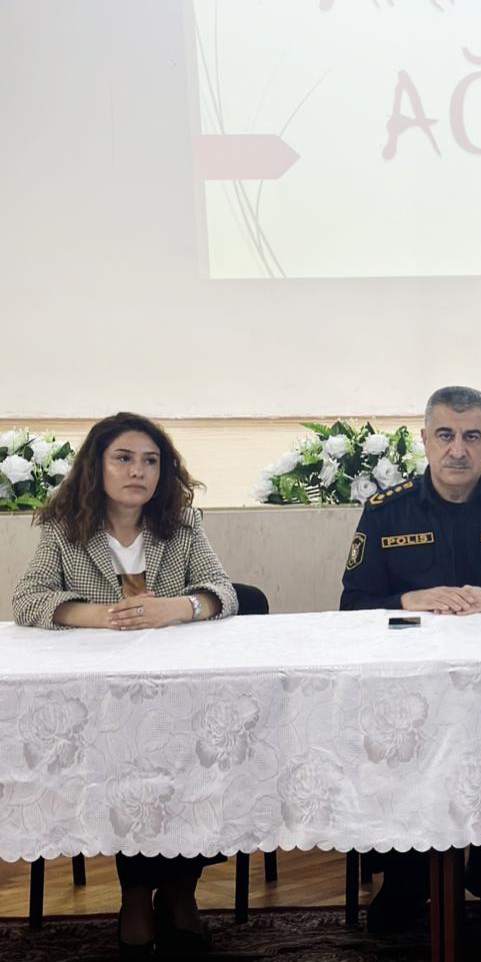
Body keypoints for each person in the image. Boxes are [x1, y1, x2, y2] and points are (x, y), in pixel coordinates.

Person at [341, 384, 481, 932]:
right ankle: (407, 874)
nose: (458, 450)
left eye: (471, 437)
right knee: (397, 748)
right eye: (445, 435)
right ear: (425, 440)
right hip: (410, 689)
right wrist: (405, 600)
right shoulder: (386, 513)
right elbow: (351, 606)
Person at [12, 411, 238, 959]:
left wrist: (177, 608)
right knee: (128, 769)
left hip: (179, 691)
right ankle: (135, 893)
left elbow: (224, 592)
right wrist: (99, 616)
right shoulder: (64, 527)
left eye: (151, 461)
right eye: (124, 458)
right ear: (97, 466)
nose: (138, 471)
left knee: (192, 760)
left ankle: (181, 890)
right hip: (102, 699)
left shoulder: (183, 524)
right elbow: (27, 599)